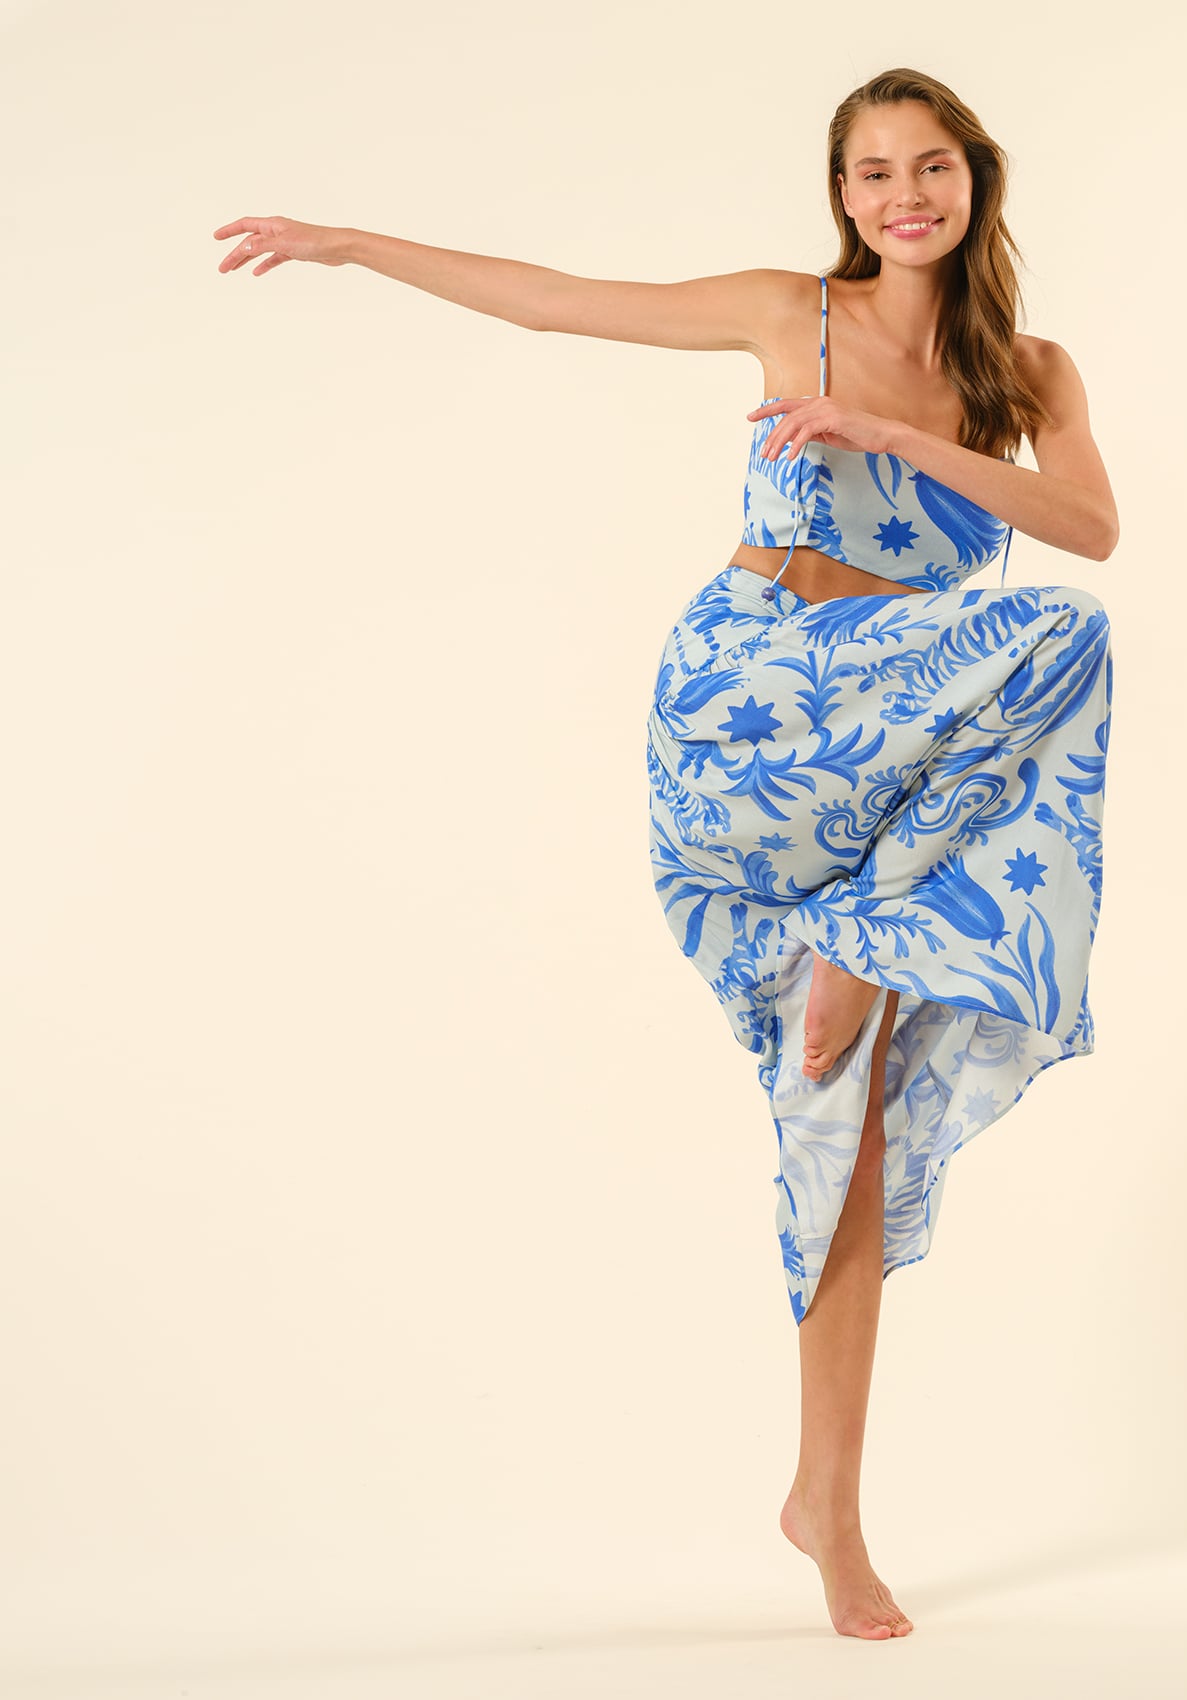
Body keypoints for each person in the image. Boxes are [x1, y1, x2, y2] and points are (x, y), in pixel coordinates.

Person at [213, 65, 1116, 1643]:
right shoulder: (788, 311)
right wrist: (353, 244)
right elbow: (557, 297)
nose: (904, 196)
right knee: (1046, 650)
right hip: (749, 709)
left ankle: (828, 1507)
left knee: (850, 1113)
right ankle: (863, 946)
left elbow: (1091, 527)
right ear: (843, 196)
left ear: (976, 179)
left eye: (930, 167)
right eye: (873, 173)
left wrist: (889, 440)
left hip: (894, 739)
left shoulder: (1028, 371)